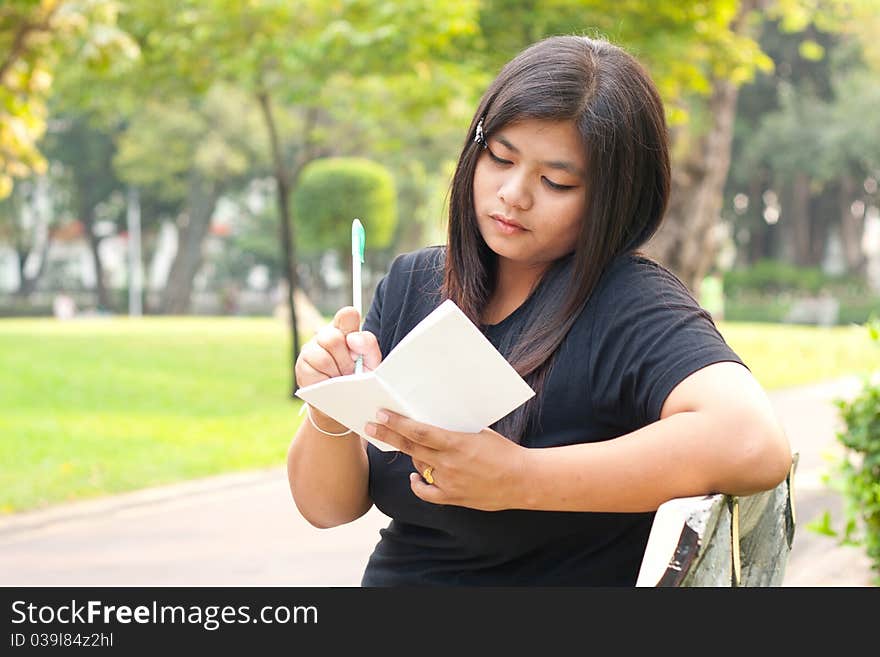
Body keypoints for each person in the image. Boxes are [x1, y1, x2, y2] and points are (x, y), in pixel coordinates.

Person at [286, 35, 792, 586]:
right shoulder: (416, 283)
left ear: (612, 197)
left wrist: (520, 477)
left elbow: (752, 441)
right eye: (500, 157)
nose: (513, 194)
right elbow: (326, 509)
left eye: (556, 181)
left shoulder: (630, 303)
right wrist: (329, 407)